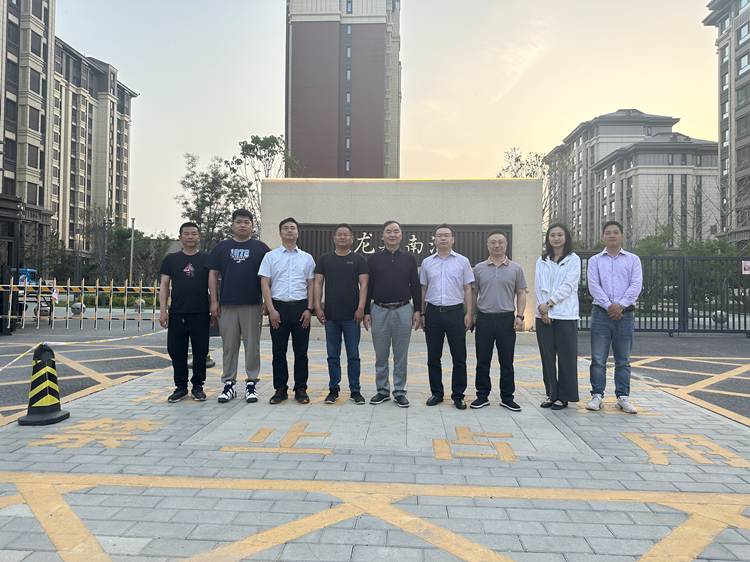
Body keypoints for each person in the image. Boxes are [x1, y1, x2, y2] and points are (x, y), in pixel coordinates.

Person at [206, 209, 269, 404]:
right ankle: (229, 384)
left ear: (252, 226)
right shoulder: (222, 247)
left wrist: (267, 301)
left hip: (253, 304)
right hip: (228, 303)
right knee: (229, 346)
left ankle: (251, 383)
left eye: (247, 222)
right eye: (239, 222)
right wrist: (214, 301)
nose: (243, 225)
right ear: (232, 225)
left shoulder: (261, 248)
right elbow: (212, 274)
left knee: (252, 346)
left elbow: (269, 277)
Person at [363, 220, 422, 408]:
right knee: (381, 355)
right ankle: (382, 391)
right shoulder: (374, 259)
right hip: (379, 310)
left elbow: (415, 286)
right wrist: (366, 311)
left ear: (401, 235)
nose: (392, 235)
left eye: (396, 231)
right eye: (388, 231)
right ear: (382, 236)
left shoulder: (409, 258)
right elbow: (368, 286)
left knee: (400, 355)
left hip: (403, 310)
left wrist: (418, 310)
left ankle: (399, 392)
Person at [586, 220, 643, 414]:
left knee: (623, 359)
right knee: (598, 358)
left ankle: (623, 397)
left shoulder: (633, 259)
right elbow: (593, 285)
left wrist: (621, 306)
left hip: (625, 315)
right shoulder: (595, 260)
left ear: (622, 236)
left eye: (616, 232)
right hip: (601, 314)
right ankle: (597, 395)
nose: (612, 235)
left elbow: (636, 285)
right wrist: (610, 306)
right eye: (608, 233)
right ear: (603, 237)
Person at [259, 217, 316, 405]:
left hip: (301, 309)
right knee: (278, 351)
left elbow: (311, 285)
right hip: (278, 308)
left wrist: (309, 309)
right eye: (285, 228)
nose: (289, 231)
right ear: (280, 233)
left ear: (298, 233)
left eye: (292, 228)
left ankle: (300, 388)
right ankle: (280, 389)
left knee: (301, 352)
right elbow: (265, 284)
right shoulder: (270, 257)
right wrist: (272, 309)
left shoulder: (307, 258)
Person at [471, 230, 527, 411]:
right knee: (482, 361)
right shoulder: (479, 268)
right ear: (487, 246)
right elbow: (473, 293)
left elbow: (521, 293)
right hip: (484, 319)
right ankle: (482, 396)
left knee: (507, 361)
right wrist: (471, 314)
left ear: (506, 245)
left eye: (500, 242)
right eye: (493, 242)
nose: (497, 245)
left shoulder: (516, 268)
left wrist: (519, 316)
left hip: (506, 319)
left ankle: (507, 397)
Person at [420, 224, 474, 409]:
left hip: (455, 313)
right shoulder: (427, 262)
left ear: (453, 239)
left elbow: (468, 289)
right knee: (433, 357)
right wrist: (422, 313)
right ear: (434, 240)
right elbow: (423, 290)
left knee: (459, 357)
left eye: (446, 235)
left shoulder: (463, 261)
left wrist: (469, 313)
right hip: (433, 313)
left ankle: (458, 395)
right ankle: (436, 393)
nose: (443, 238)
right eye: (439, 235)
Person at [313, 224, 369, 405]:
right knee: (332, 356)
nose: (342, 237)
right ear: (334, 238)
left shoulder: (359, 259)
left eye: (346, 235)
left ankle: (355, 390)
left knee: (353, 356)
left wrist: (361, 308)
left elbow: (364, 285)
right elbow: (318, 284)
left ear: (352, 239)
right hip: (331, 316)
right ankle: (333, 389)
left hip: (352, 317)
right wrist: (317, 307)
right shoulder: (325, 259)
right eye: (339, 234)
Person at [159, 222, 215, 402]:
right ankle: (180, 387)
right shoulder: (171, 259)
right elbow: (164, 286)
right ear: (180, 237)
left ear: (199, 237)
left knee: (200, 352)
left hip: (200, 312)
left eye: (194, 234)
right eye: (186, 234)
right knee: (177, 352)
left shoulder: (207, 259)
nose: (190, 237)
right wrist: (163, 311)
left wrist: (214, 305)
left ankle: (198, 387)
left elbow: (212, 284)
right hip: (177, 313)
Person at [534, 223, 581, 411]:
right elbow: (538, 286)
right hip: (543, 315)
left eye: (560, 235)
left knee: (566, 357)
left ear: (566, 237)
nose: (556, 238)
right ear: (548, 239)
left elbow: (568, 286)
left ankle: (564, 396)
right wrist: (544, 310)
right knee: (547, 358)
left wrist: (550, 304)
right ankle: (552, 394)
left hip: (565, 315)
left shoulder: (573, 259)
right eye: (552, 235)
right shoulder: (542, 260)